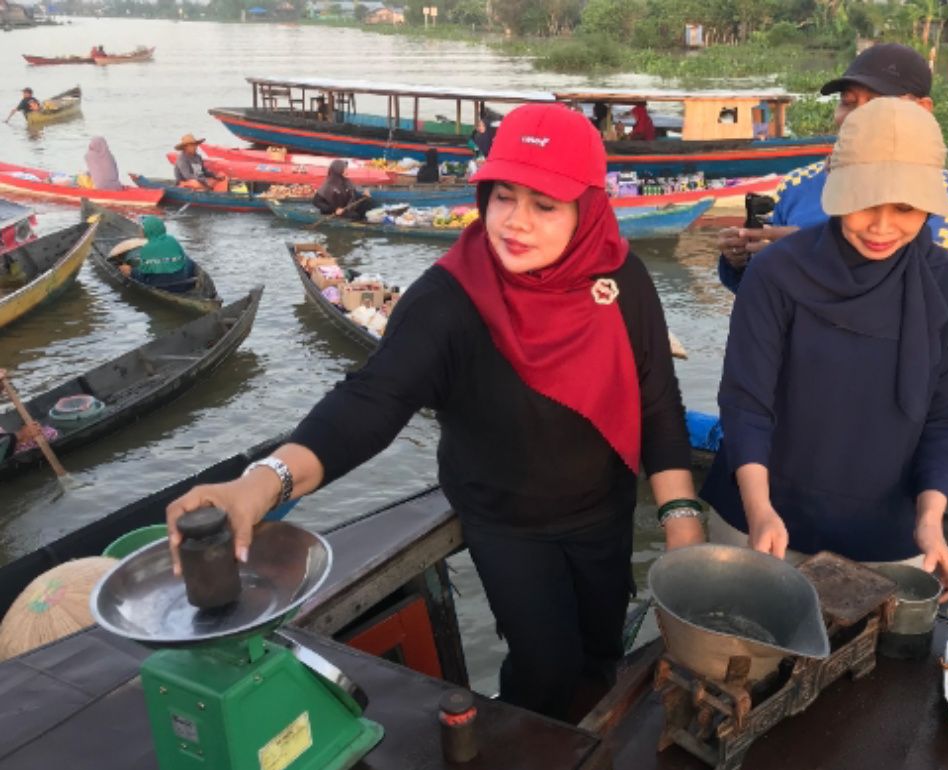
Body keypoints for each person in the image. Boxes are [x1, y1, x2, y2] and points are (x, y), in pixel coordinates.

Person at [165, 103, 704, 721]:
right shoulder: (451, 300)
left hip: (604, 511)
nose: (514, 223)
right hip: (508, 522)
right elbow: (370, 401)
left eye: (544, 205)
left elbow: (657, 401)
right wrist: (261, 485)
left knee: (602, 654)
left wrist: (682, 522)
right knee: (545, 669)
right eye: (503, 197)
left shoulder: (621, 277)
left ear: (588, 209)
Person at [701, 98, 948, 616]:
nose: (881, 226)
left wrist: (930, 520)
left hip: (889, 540)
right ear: (836, 191)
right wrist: (760, 511)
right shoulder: (776, 273)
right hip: (761, 523)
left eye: (905, 207)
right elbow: (745, 402)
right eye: (866, 202)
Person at [716, 43, 948, 293]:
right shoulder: (797, 183)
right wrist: (740, 261)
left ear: (922, 109)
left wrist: (813, 249)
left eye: (879, 102)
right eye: (848, 102)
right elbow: (763, 290)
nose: (858, 115)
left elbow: (933, 291)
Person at [117, 216, 195, 291]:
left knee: (129, 268)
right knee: (187, 260)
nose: (140, 231)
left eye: (142, 229)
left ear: (148, 231)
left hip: (164, 286)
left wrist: (131, 271)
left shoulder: (147, 248)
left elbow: (142, 273)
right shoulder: (172, 239)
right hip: (183, 282)